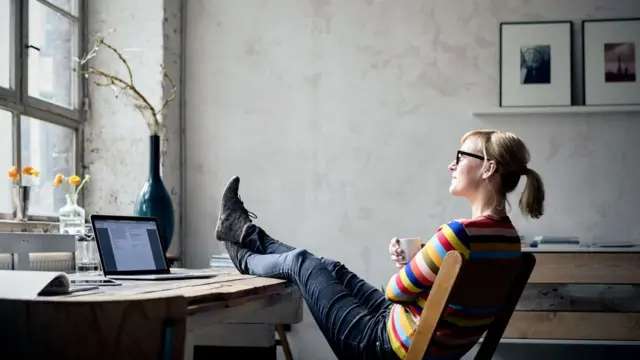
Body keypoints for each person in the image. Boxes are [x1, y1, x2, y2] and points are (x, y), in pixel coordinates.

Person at [214, 129, 545, 360]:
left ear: (488, 168)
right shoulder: (509, 240)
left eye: (461, 156)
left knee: (302, 262)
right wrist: (414, 267)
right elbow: (445, 296)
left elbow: (395, 291)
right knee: (330, 267)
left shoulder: (459, 234)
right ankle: (243, 232)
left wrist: (407, 270)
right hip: (414, 336)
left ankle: (243, 250)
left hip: (382, 347)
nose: (452, 165)